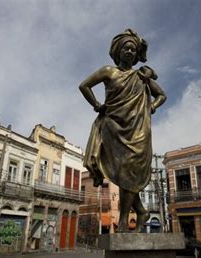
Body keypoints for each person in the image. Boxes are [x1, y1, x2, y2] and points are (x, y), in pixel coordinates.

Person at [79, 29, 166, 232]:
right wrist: (97, 104)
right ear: (118, 51)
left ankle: (126, 219)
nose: (129, 51)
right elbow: (84, 86)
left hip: (138, 130)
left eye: (133, 49)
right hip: (113, 127)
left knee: (129, 169)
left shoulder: (141, 76)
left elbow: (161, 95)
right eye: (126, 47)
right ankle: (140, 212)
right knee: (124, 171)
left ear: (136, 55)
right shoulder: (108, 71)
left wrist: (151, 107)